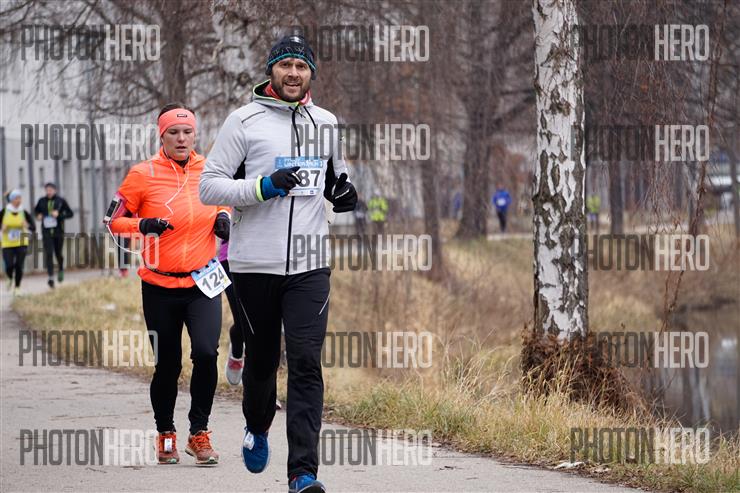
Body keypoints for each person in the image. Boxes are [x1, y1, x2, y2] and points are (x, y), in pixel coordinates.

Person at [200, 34, 357, 493]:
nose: (293, 73)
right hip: (254, 264)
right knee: (263, 360)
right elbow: (209, 186)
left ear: (311, 74)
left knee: (306, 362)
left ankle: (303, 473)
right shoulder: (243, 121)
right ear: (271, 70)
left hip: (310, 265)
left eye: (301, 66)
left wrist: (344, 193)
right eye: (285, 64)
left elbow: (337, 177)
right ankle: (257, 423)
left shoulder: (326, 122)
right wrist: (263, 187)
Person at [105, 103, 230, 465]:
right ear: (161, 136)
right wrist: (142, 225)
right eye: (173, 132)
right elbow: (112, 221)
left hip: (202, 282)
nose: (181, 138)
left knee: (206, 353)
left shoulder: (211, 169)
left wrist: (223, 217)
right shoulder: (142, 174)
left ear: (195, 135)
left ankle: (199, 433)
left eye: (187, 132)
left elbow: (224, 202)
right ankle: (166, 434)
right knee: (168, 364)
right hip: (159, 286)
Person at [34, 182, 73, 288]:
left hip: (58, 232)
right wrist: (38, 215)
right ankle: (51, 277)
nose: (49, 192)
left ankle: (60, 268)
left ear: (55, 190)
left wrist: (59, 215)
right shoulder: (41, 201)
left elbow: (70, 213)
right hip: (46, 232)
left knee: (58, 253)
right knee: (49, 253)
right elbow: (36, 212)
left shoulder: (60, 201)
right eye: (47, 190)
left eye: (50, 190)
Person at [1, 190, 36, 294]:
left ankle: (17, 288)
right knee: (9, 265)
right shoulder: (4, 212)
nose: (18, 200)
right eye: (16, 198)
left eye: (20, 198)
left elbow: (33, 227)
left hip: (21, 242)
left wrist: (27, 225)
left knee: (19, 266)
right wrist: (2, 227)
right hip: (7, 244)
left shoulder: (23, 212)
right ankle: (9, 277)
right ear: (11, 200)